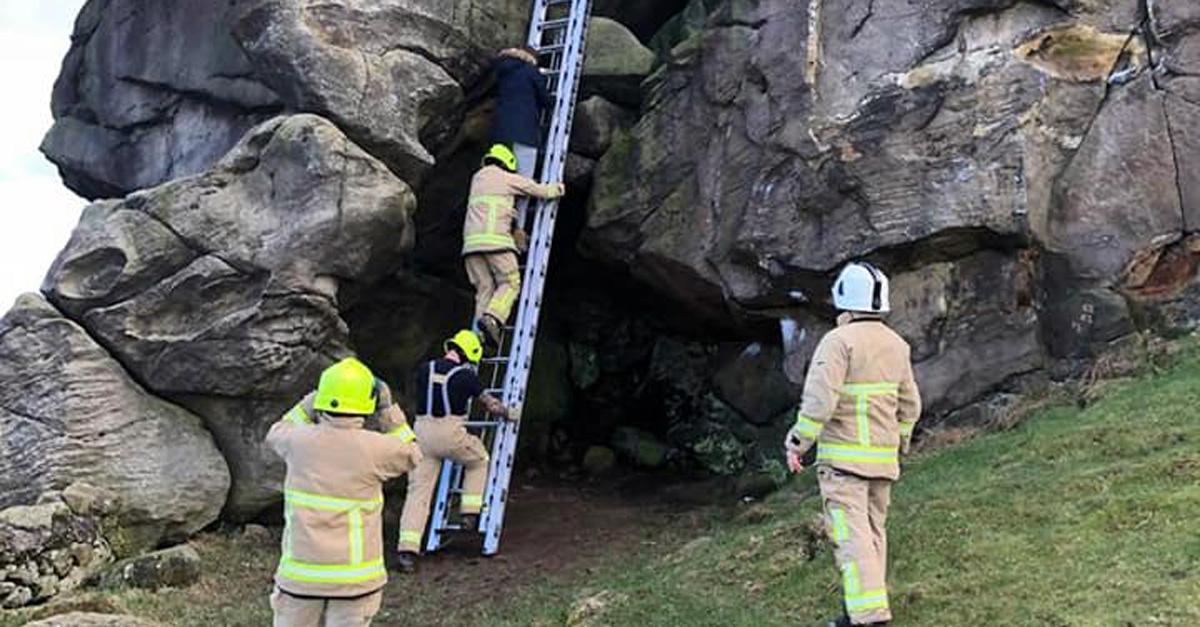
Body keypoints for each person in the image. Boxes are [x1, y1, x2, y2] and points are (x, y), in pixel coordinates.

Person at [784, 262, 922, 627]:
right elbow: (910, 406)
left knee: (851, 539)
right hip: (882, 462)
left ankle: (869, 618)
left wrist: (798, 442)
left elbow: (819, 402)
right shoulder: (896, 344)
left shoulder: (838, 342)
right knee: (874, 535)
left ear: (844, 297)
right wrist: (901, 441)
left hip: (844, 464)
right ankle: (859, 613)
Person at [266, 357, 423, 627]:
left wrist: (311, 400)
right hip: (354, 582)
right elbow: (413, 453)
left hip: (300, 580)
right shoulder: (376, 448)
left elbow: (276, 430)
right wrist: (388, 410)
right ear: (367, 403)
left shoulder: (296, 441)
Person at [395, 330, 518, 572]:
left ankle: (407, 550)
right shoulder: (466, 376)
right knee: (479, 460)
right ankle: (470, 512)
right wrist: (509, 412)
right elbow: (490, 404)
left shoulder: (424, 369)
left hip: (420, 434)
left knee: (418, 492)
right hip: (450, 433)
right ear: (469, 355)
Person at [463, 144, 564, 348]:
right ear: (506, 164)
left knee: (485, 289)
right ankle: (492, 318)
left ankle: (477, 340)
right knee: (510, 283)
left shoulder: (477, 178)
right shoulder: (505, 177)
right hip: (495, 242)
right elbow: (535, 189)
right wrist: (557, 189)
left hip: (471, 247)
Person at [492, 46, 552, 198]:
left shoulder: (502, 72)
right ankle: (519, 217)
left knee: (501, 182)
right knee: (524, 183)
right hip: (524, 134)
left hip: (500, 135)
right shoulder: (529, 71)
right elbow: (544, 98)